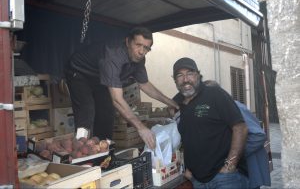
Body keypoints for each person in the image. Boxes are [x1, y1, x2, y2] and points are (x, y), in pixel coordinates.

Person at [65, 27, 178, 149]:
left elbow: (144, 84)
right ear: (128, 42)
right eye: (138, 45)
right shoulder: (113, 55)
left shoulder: (139, 59)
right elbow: (117, 100)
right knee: (86, 110)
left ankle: (104, 150)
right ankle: (82, 152)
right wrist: (140, 127)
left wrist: (172, 103)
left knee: (107, 112)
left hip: (100, 78)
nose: (141, 51)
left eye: (146, 48)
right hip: (79, 73)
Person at [172, 57, 249, 189]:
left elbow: (240, 128)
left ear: (198, 75)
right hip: (198, 180)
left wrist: (229, 166)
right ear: (175, 80)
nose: (185, 79)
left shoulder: (215, 94)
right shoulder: (177, 102)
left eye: (190, 73)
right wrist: (188, 169)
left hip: (225, 179)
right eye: (180, 75)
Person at [204, 80, 271, 189]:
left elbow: (259, 136)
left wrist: (235, 152)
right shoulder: (217, 108)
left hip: (248, 168)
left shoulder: (234, 107)